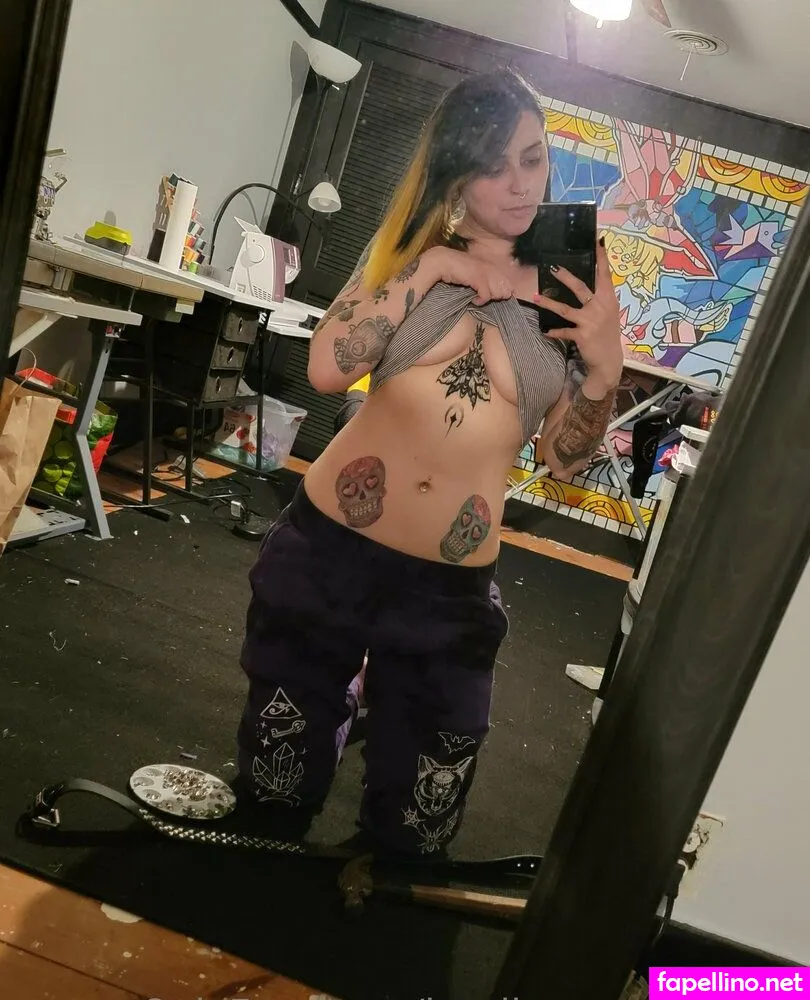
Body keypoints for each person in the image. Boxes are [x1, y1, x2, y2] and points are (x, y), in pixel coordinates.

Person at [237, 68, 623, 856]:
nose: (520, 185)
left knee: (416, 827)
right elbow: (328, 369)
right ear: (452, 175)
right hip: (329, 547)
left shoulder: (573, 276)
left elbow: (562, 459)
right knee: (275, 789)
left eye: (532, 159)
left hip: (449, 586)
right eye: (491, 167)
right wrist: (434, 270)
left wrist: (606, 368)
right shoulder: (413, 249)